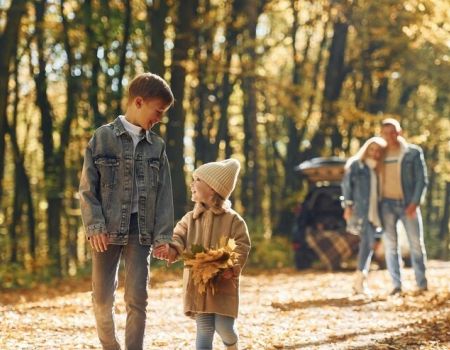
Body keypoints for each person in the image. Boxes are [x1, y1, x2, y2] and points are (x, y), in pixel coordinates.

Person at [79, 72, 174, 350]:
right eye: (158, 111)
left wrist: (163, 235)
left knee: (137, 298)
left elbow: (165, 193)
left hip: (139, 230)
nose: (159, 118)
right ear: (140, 101)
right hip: (105, 230)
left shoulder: (157, 146)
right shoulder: (102, 138)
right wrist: (94, 225)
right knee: (101, 298)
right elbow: (87, 188)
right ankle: (110, 346)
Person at [167, 159, 251, 350]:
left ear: (212, 189)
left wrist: (232, 266)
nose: (191, 183)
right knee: (204, 328)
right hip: (199, 284)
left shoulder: (233, 220)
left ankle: (232, 344)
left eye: (197, 179)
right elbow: (178, 236)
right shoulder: (190, 218)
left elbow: (242, 244)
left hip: (222, 282)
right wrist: (172, 249)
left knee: (224, 327)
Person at [380, 118, 428, 295]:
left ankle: (421, 284)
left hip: (408, 204)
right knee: (391, 246)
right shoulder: (380, 154)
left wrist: (414, 203)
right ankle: (396, 286)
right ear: (382, 135)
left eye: (393, 132)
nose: (390, 136)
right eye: (386, 133)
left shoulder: (413, 153)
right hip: (386, 205)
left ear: (399, 132)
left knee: (416, 244)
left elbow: (422, 180)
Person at [341, 137, 387, 294]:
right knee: (367, 244)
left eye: (378, 150)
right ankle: (359, 282)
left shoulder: (379, 168)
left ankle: (359, 282)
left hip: (376, 212)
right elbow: (346, 186)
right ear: (366, 149)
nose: (374, 153)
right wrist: (347, 205)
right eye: (371, 149)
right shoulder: (357, 165)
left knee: (368, 245)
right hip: (362, 211)